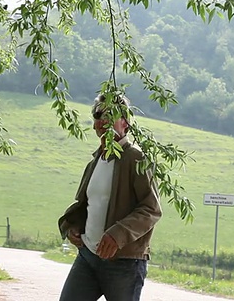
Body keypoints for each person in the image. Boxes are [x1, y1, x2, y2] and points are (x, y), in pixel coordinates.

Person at [57, 93, 162, 301]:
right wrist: (74, 227)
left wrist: (118, 234)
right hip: (88, 257)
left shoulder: (136, 158)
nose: (102, 120)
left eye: (110, 114)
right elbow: (88, 206)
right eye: (98, 115)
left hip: (124, 263)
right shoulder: (94, 161)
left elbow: (151, 209)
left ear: (125, 123)